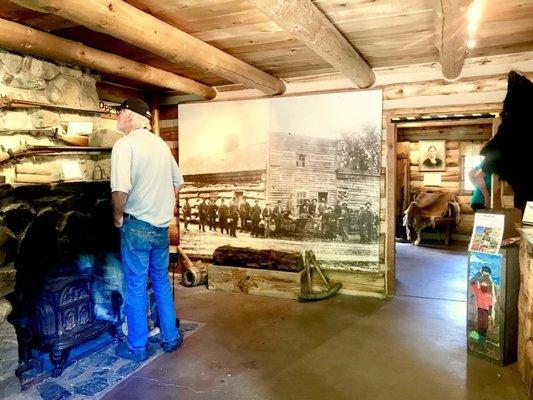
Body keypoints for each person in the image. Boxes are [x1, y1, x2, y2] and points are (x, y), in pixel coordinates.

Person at [111, 98, 181, 362]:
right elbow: (178, 182)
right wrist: (164, 207)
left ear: (129, 117)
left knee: (136, 286)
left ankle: (137, 346)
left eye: (119, 112)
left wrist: (118, 218)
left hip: (136, 225)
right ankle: (171, 338)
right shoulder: (161, 145)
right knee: (161, 282)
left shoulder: (124, 145)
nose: (117, 117)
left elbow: (120, 189)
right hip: (160, 228)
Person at [469, 266, 496, 342]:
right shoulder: (479, 292)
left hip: (485, 310)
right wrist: (479, 273)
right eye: (483, 281)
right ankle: (481, 337)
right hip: (481, 309)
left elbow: (491, 304)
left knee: (484, 323)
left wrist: (490, 313)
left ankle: (482, 337)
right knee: (481, 322)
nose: (484, 282)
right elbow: (472, 282)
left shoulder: (488, 294)